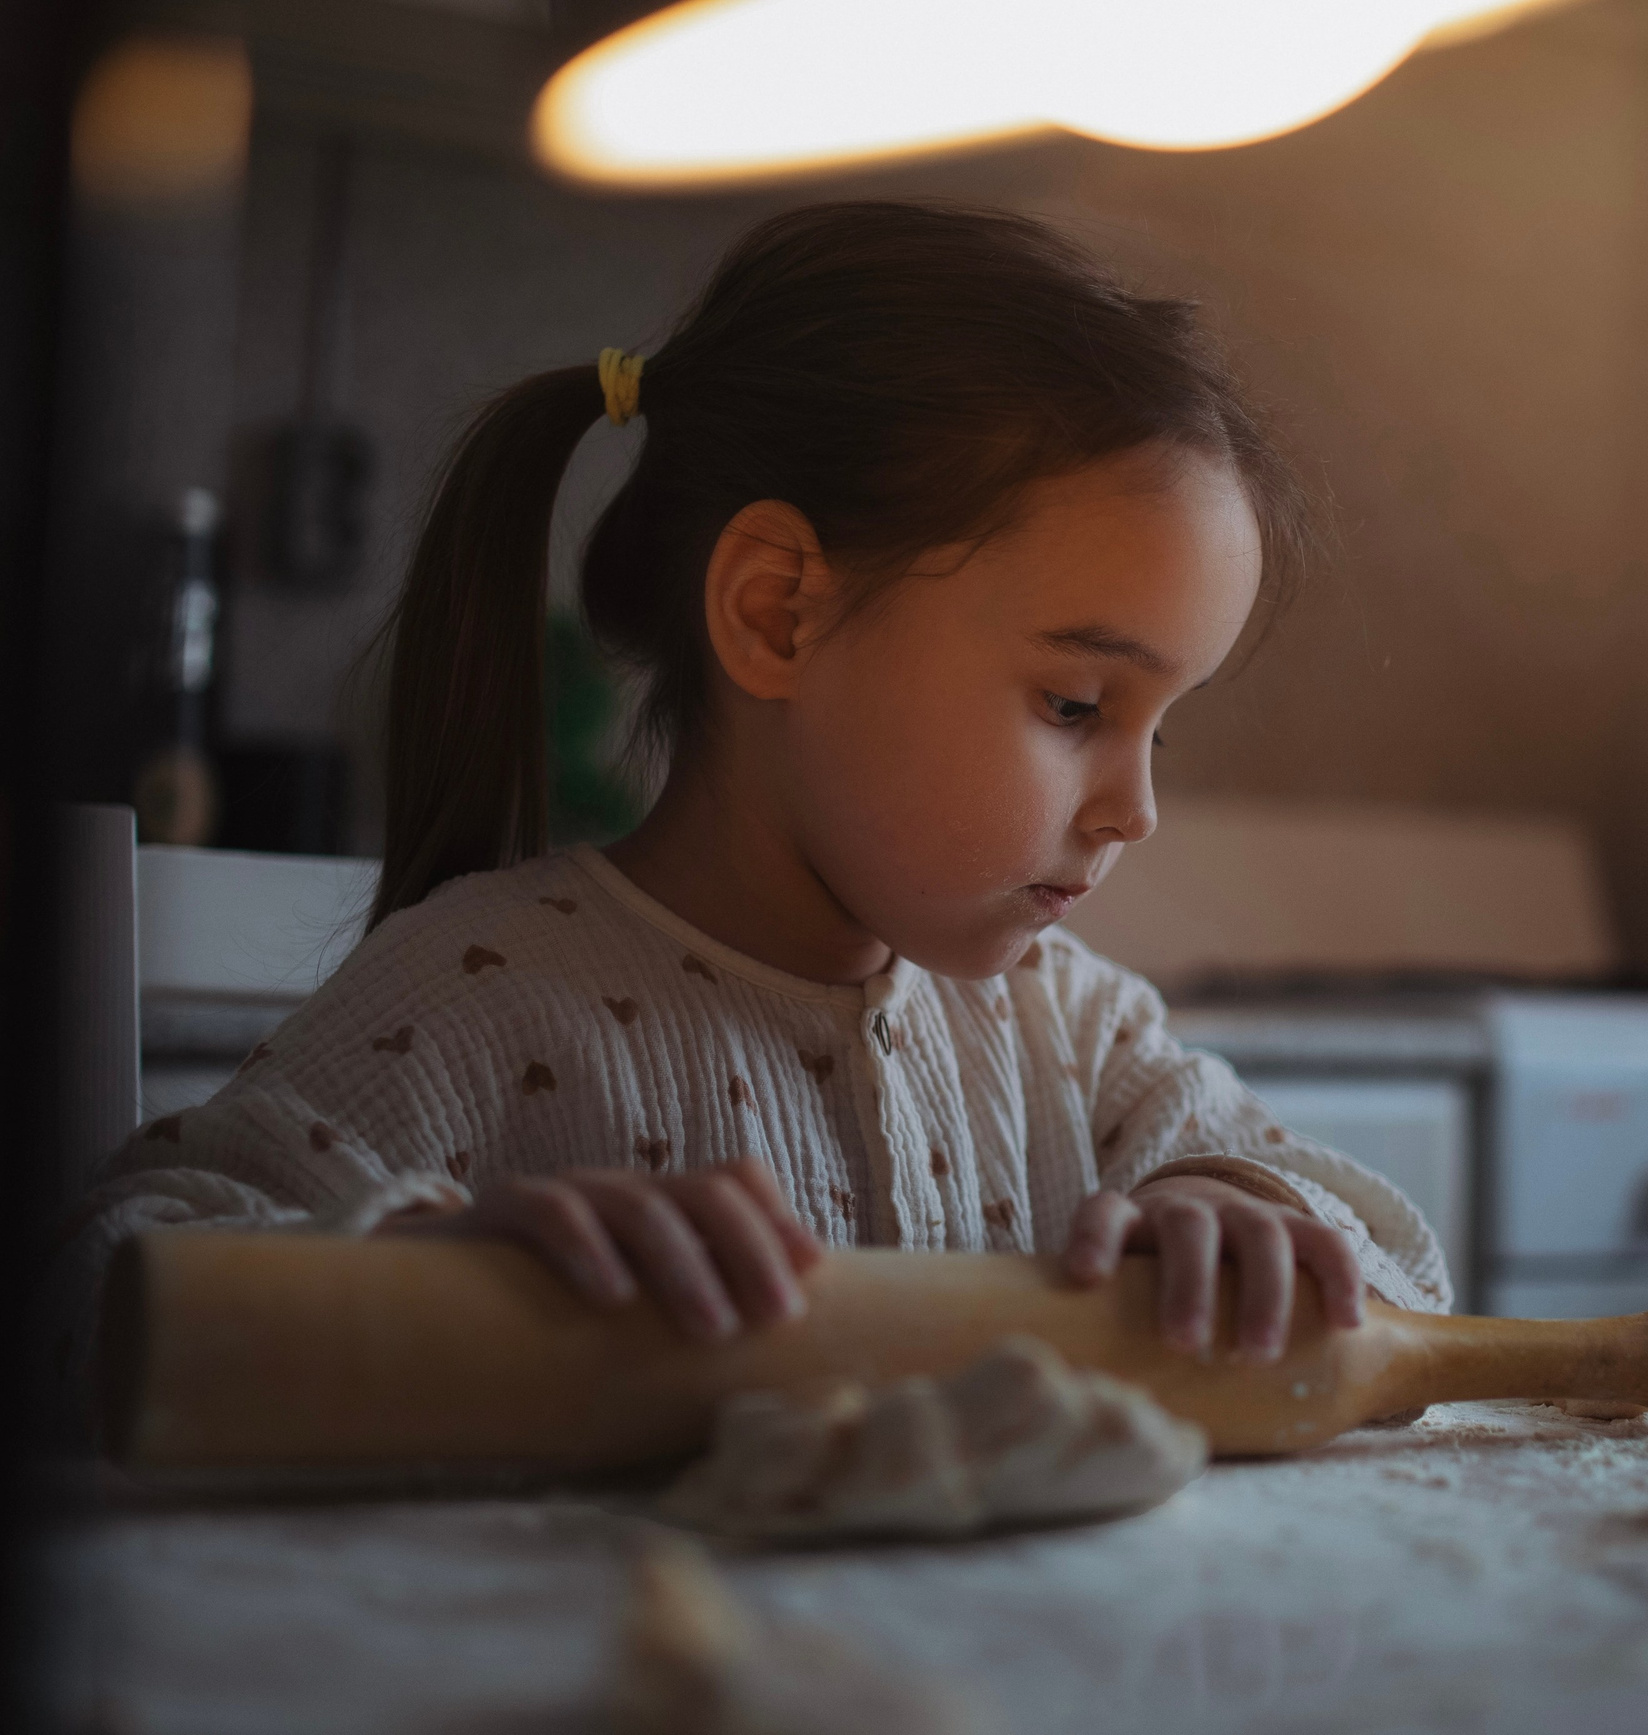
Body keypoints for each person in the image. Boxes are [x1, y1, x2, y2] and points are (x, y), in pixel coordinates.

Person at [51, 202, 1448, 1397]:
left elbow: (1405, 1270)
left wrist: (1237, 1210)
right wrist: (415, 1278)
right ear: (778, 614)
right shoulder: (487, 995)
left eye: (1162, 730)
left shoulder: (1075, 1033)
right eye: (1078, 706)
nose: (1133, 809)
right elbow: (94, 1298)